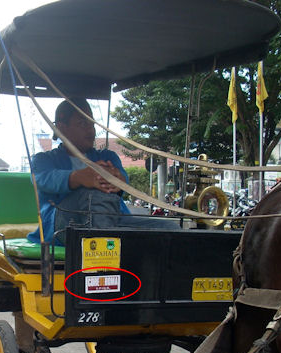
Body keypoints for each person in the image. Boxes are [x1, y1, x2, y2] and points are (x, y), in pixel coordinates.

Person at [27, 98, 176, 244]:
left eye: (92, 123)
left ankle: (109, 247)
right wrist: (79, 177)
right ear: (61, 128)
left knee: (170, 229)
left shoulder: (108, 156)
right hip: (62, 226)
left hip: (114, 220)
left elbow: (122, 179)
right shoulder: (42, 160)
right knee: (92, 195)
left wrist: (119, 182)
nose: (90, 129)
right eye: (82, 123)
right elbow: (45, 179)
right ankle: (105, 258)